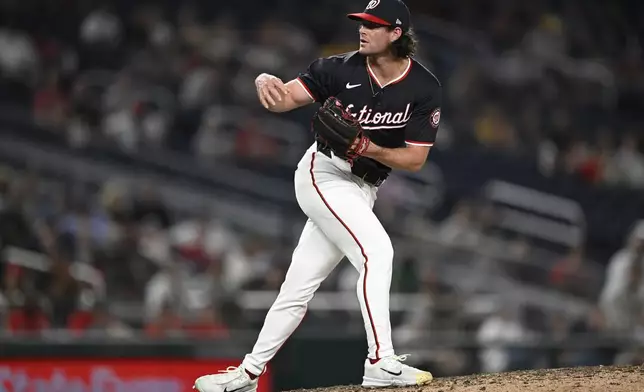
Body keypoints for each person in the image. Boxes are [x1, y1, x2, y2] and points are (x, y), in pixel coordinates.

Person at [194, 0, 441, 390]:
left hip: (364, 187)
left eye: (373, 25)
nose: (362, 30)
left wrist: (369, 149)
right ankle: (380, 360)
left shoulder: (423, 87)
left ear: (396, 34)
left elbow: (415, 159)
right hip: (323, 173)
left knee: (298, 288)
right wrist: (264, 81)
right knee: (377, 252)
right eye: (361, 22)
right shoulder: (336, 68)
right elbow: (285, 98)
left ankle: (247, 374)